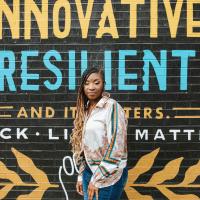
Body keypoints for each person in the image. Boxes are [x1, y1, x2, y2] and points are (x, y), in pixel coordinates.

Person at [70, 67, 128, 200]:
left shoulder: (111, 107)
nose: (91, 87)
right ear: (82, 86)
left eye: (96, 83)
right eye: (87, 83)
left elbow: (116, 148)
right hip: (89, 171)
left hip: (108, 173)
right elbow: (83, 147)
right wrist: (81, 175)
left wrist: (98, 179)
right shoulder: (85, 110)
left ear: (103, 85)